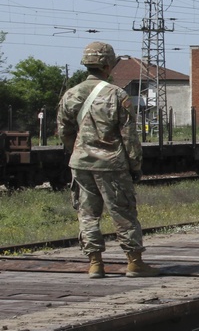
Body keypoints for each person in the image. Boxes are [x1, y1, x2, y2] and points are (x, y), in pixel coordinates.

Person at [57, 41, 159, 278]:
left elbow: (64, 131)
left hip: (81, 164)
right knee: (123, 213)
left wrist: (78, 150)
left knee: (87, 214)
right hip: (112, 165)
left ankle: (95, 264)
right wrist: (135, 166)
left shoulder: (71, 94)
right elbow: (129, 136)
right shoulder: (117, 95)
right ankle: (134, 262)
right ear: (107, 65)